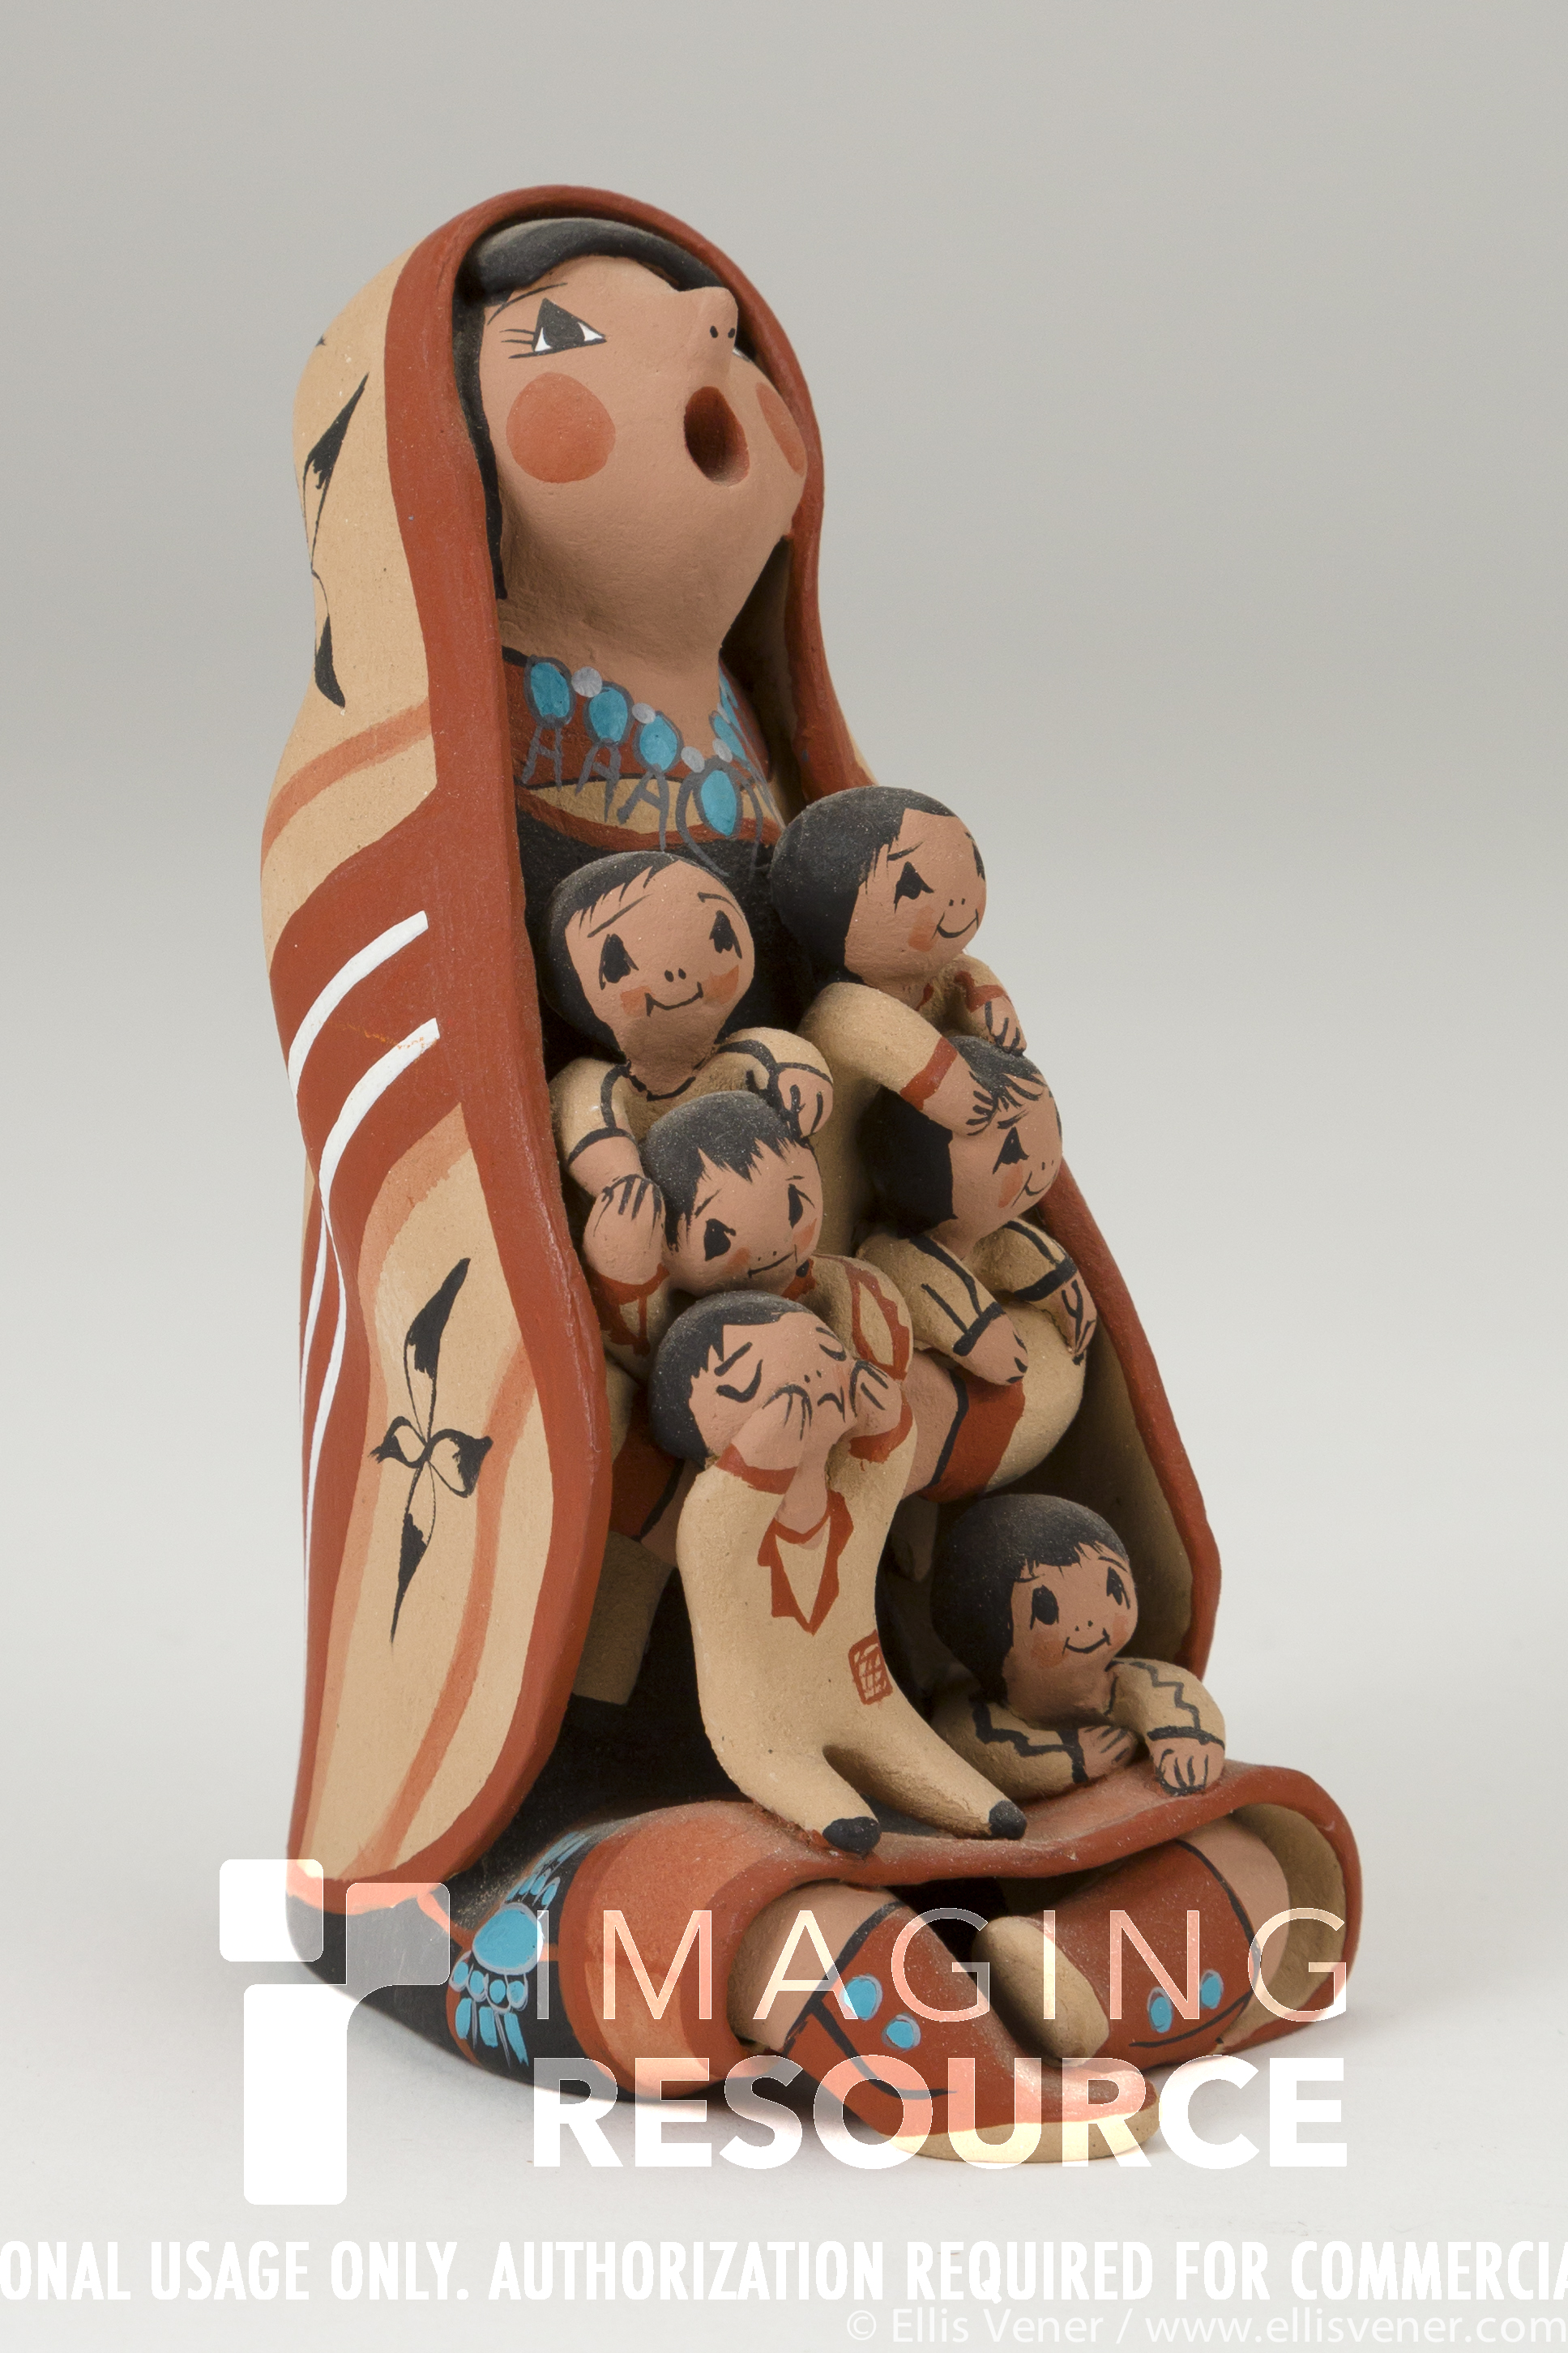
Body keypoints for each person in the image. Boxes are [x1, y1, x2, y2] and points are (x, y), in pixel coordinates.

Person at [263, 190, 1357, 2159]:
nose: (703, 339)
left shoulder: (764, 749)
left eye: (718, 327)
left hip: (839, 1325)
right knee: (629, 1612)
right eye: (565, 341)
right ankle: (663, 1894)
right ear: (418, 471)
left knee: (912, 1517)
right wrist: (620, 1215)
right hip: (614, 1345)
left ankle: (974, 1852)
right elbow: (416, 1114)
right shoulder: (388, 785)